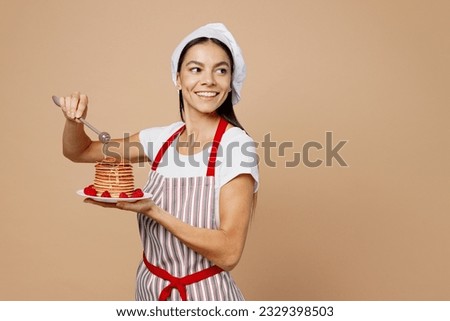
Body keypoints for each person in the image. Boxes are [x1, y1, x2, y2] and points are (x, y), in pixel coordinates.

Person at [58, 23, 259, 301]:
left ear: (230, 81)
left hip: (205, 297)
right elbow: (80, 152)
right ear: (177, 78)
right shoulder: (161, 139)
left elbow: (229, 252)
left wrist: (154, 211)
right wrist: (72, 121)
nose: (209, 80)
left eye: (221, 70)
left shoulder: (236, 146)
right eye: (196, 69)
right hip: (151, 291)